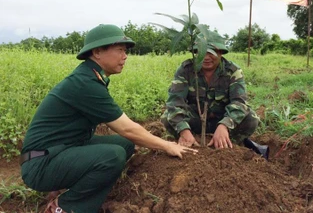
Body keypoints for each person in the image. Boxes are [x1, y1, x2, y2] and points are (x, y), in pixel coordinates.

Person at [20, 24, 197, 213]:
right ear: (97, 52)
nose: (125, 56)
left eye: (125, 51)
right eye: (120, 50)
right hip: (41, 164)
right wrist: (167, 145)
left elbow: (126, 133)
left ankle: (66, 188)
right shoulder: (85, 83)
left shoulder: (92, 77)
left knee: (124, 144)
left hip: (60, 150)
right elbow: (126, 128)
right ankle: (65, 207)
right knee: (112, 156)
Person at [161, 31, 260, 149]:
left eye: (212, 52)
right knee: (167, 117)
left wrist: (225, 125)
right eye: (202, 52)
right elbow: (175, 102)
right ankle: (189, 140)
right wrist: (183, 129)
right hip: (195, 119)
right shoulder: (185, 70)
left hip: (221, 118)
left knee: (251, 119)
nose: (206, 57)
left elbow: (239, 102)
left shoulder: (232, 71)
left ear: (221, 53)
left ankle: (228, 143)